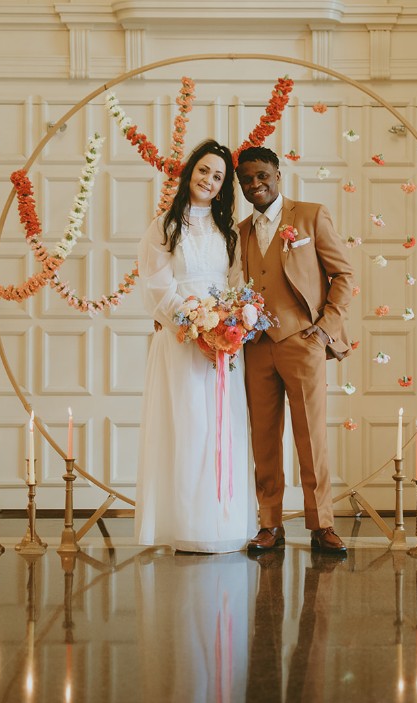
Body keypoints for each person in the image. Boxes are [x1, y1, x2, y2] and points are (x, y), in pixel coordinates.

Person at [135, 139, 254, 553]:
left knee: (222, 429)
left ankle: (220, 524)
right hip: (181, 342)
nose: (209, 180)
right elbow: (157, 285)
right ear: (191, 173)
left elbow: (237, 283)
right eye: (204, 170)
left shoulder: (228, 233)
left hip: (222, 348)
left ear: (224, 187)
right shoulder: (165, 226)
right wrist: (194, 327)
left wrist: (230, 325)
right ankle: (185, 526)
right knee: (189, 428)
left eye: (218, 176)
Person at [235, 146, 354, 554]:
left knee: (311, 437)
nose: (255, 185)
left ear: (277, 174)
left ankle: (321, 524)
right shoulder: (240, 231)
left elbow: (343, 274)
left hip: (303, 342)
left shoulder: (310, 215)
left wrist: (324, 331)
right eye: (247, 179)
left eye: (262, 176)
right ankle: (269, 523)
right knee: (264, 440)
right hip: (255, 347)